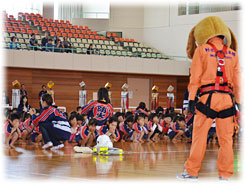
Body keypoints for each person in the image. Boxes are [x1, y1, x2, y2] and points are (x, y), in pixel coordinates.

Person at [177, 16, 241, 181]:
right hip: (227, 100)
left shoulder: (202, 50)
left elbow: (195, 78)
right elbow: (238, 82)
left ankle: (191, 172)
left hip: (207, 99)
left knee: (199, 137)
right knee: (226, 140)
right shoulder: (233, 54)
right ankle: (225, 176)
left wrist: (191, 100)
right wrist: (240, 103)